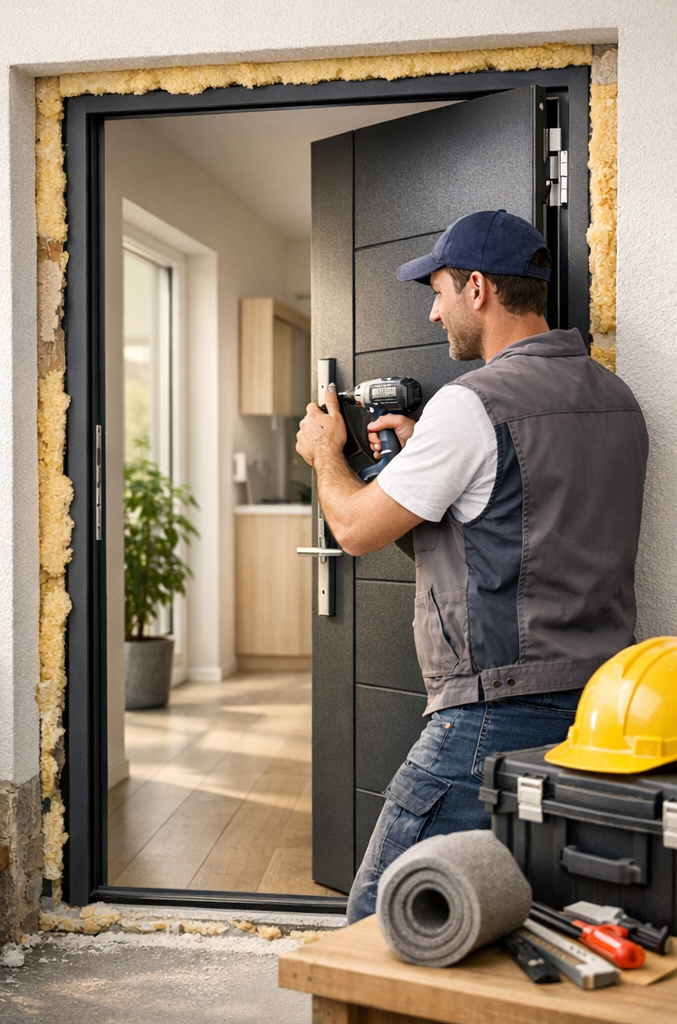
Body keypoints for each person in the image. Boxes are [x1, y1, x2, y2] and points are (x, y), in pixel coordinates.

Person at [295, 210, 648, 922]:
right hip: (602, 716)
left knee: (379, 921)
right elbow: (522, 521)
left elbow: (357, 528)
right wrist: (430, 457)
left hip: (494, 714)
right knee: (532, 924)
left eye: (439, 291)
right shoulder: (618, 399)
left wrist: (326, 454)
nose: (432, 311)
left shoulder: (473, 406)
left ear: (478, 288)